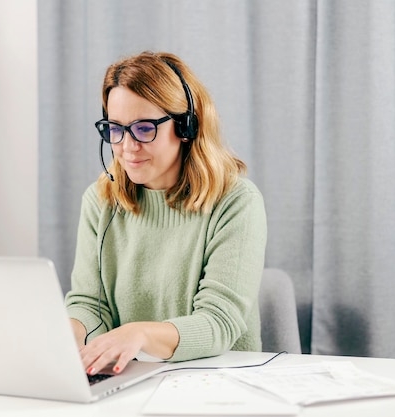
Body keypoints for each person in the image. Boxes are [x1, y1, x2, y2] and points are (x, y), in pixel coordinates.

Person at [65, 51, 267, 377]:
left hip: (221, 383)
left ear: (186, 127)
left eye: (144, 129)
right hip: (131, 380)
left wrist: (140, 333)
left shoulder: (237, 201)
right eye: (115, 129)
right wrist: (71, 331)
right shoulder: (100, 200)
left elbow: (220, 322)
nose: (127, 147)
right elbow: (90, 303)